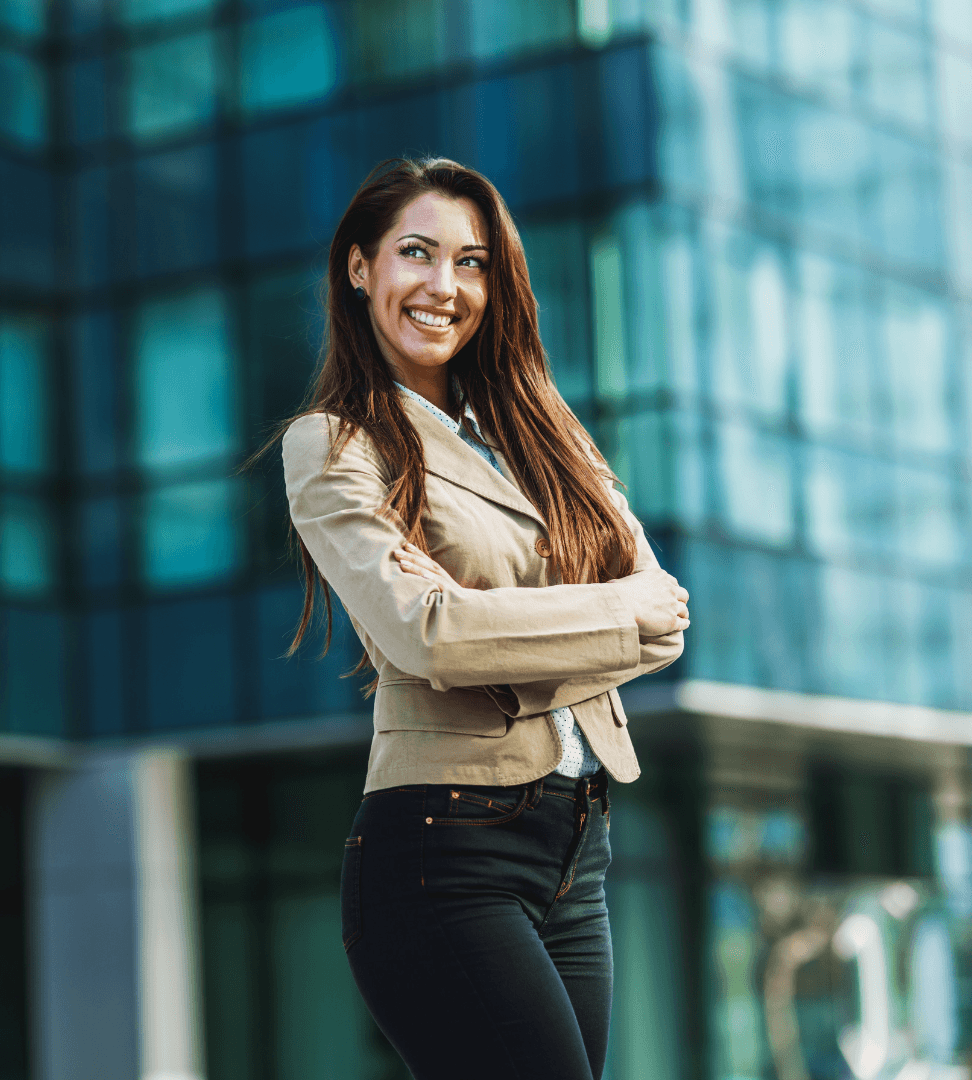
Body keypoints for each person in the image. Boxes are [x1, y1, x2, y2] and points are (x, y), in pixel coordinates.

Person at [277, 158, 689, 1080]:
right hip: (442, 851)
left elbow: (665, 622)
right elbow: (426, 632)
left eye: (471, 262)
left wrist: (491, 639)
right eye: (415, 254)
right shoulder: (336, 444)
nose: (443, 286)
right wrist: (604, 615)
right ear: (359, 268)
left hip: (579, 848)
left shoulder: (546, 434)